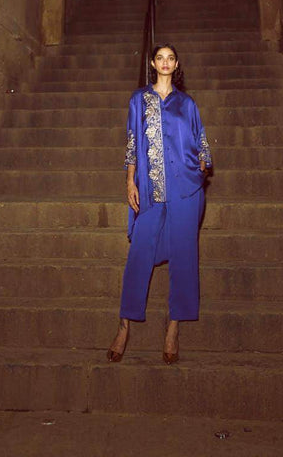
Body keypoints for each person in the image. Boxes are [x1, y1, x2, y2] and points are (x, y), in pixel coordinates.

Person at [106, 43, 212, 364]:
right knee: (139, 252)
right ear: (153, 64)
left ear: (176, 64)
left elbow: (201, 141)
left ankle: (173, 328)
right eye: (160, 58)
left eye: (170, 58)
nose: (165, 63)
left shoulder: (187, 103)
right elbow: (131, 143)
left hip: (185, 189)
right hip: (150, 188)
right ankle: (124, 326)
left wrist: (201, 164)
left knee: (184, 254)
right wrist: (130, 181)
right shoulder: (138, 100)